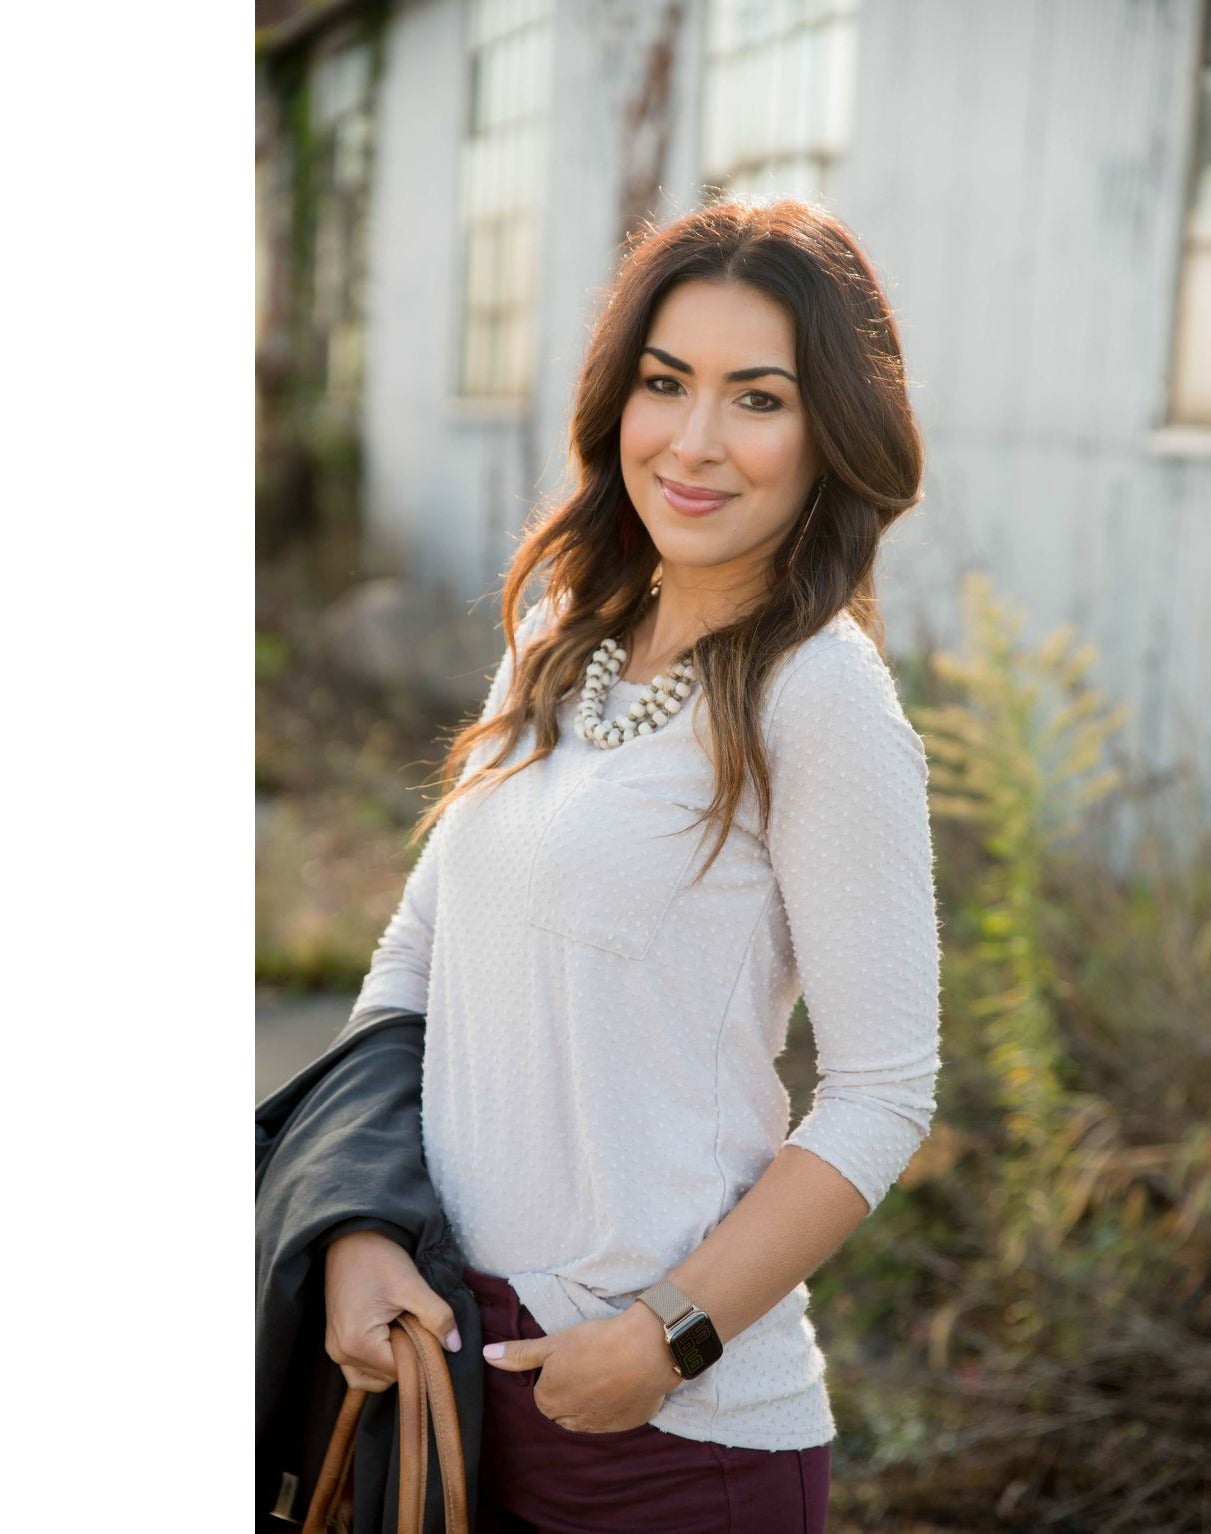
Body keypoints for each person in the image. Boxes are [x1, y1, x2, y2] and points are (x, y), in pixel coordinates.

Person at [324, 197, 942, 1534]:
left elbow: (882, 1092)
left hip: (665, 1435)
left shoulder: (819, 697)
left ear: (831, 431)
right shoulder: (563, 635)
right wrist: (359, 1227)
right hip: (450, 1375)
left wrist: (669, 1335)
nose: (694, 440)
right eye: (665, 383)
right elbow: (418, 957)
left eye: (757, 398)